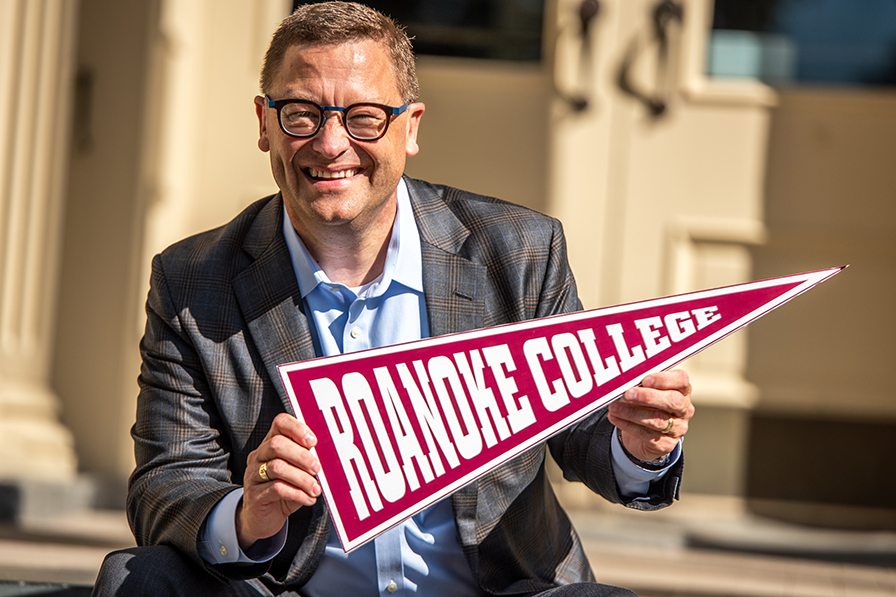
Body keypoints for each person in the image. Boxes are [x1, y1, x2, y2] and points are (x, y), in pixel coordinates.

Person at [93, 3, 694, 596]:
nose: (331, 144)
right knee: (137, 579)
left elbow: (585, 429)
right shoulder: (193, 282)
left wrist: (638, 447)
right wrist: (250, 515)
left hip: (492, 591)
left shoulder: (515, 253)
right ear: (263, 122)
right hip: (294, 592)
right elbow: (165, 486)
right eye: (301, 114)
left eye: (365, 117)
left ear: (410, 127)